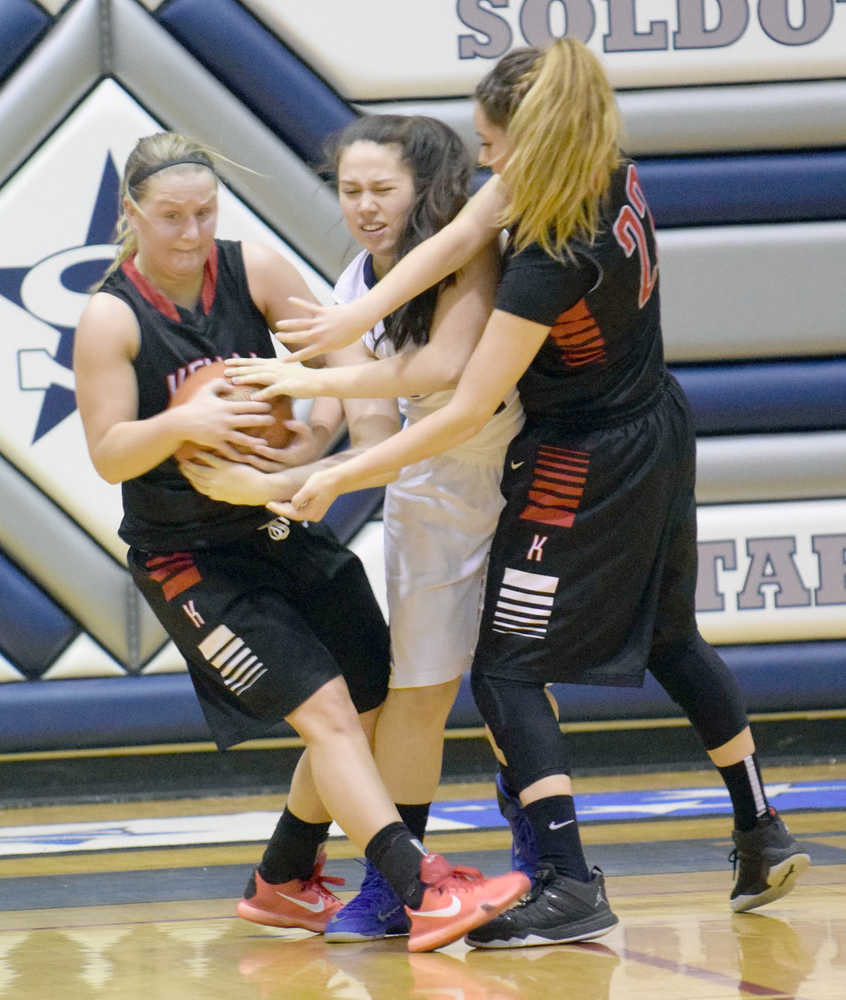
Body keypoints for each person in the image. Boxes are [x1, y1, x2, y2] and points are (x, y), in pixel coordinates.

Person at [240, 40, 811, 948]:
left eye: (491, 144)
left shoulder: (548, 245)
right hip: (644, 427)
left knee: (505, 669)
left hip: (578, 456)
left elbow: (463, 394)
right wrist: (349, 325)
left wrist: (341, 469)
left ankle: (564, 878)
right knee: (660, 637)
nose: (487, 160)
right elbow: (464, 239)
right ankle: (756, 825)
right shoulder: (597, 164)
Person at [71, 131, 529, 954]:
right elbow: (108, 455)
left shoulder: (257, 270)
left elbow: (341, 366)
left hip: (273, 524)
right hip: (190, 560)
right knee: (327, 714)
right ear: (131, 213)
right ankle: (420, 887)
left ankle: (283, 879)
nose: (190, 232)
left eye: (204, 213)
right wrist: (184, 422)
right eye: (170, 216)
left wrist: (313, 442)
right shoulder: (112, 316)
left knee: (368, 696)